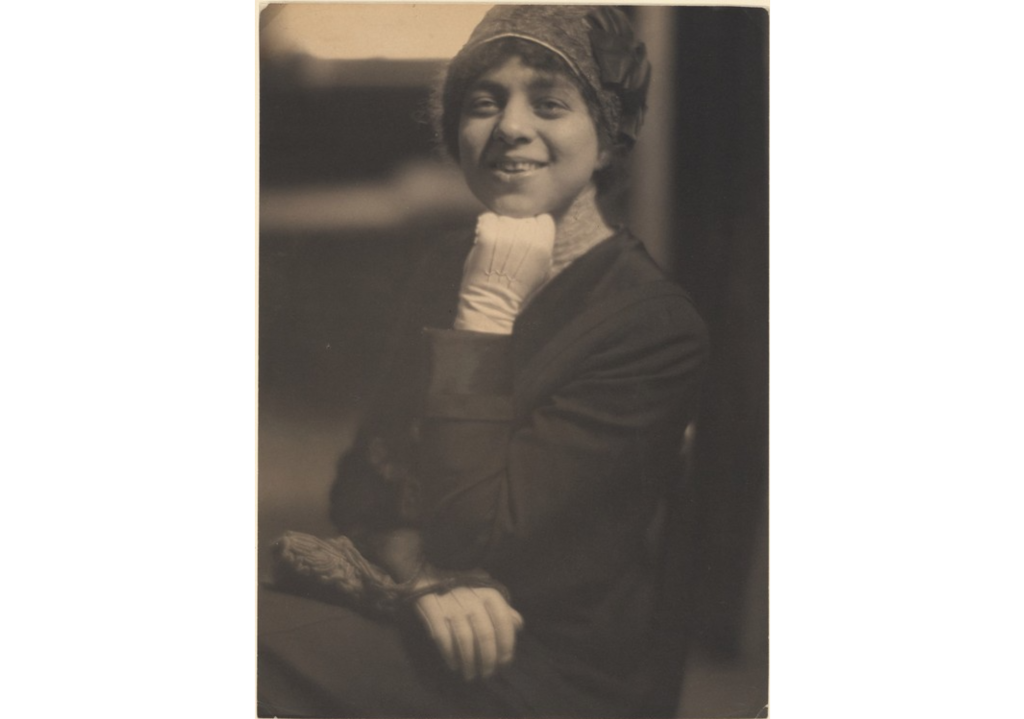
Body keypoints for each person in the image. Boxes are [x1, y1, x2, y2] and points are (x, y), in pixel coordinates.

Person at [258, 6, 709, 717]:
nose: (510, 128)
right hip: (425, 614)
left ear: (607, 142)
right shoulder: (450, 264)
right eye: (483, 103)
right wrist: (425, 579)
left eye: (550, 103)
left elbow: (481, 535)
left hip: (539, 670)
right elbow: (359, 487)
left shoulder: (652, 325)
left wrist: (489, 309)